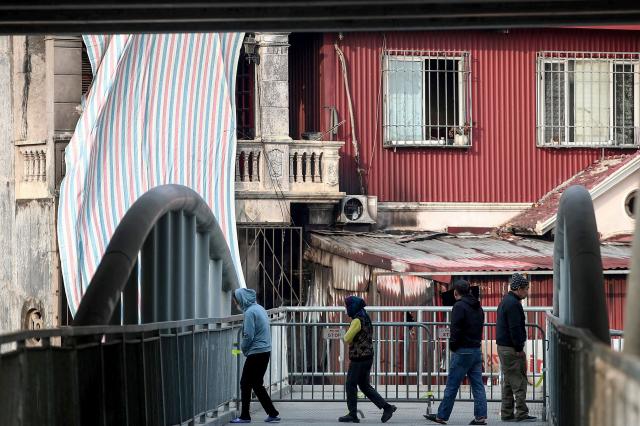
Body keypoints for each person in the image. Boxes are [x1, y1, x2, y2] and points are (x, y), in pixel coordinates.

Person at [424, 280, 487, 426]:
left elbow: (455, 329)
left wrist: (453, 346)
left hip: (462, 351)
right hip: (476, 350)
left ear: (455, 293)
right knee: (478, 385)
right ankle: (480, 417)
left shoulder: (459, 306)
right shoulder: (478, 307)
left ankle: (442, 416)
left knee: (452, 385)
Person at [339, 296, 397, 423]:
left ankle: (352, 414)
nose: (345, 309)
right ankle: (387, 407)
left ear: (352, 307)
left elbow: (347, 338)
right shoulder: (365, 316)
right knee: (364, 386)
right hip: (367, 357)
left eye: (346, 306)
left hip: (359, 358)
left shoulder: (356, 320)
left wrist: (345, 333)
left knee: (350, 384)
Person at [230, 288, 281, 424]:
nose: (236, 303)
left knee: (245, 383)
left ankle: (245, 416)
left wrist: (244, 349)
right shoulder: (259, 308)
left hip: (256, 352)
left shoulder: (249, 313)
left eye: (236, 300)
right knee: (257, 384)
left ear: (241, 299)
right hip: (265, 351)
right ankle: (272, 413)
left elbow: (248, 335)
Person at [496, 273, 537, 422]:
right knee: (519, 381)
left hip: (503, 347)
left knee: (508, 381)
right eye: (526, 289)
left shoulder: (505, 301)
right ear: (519, 289)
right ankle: (522, 413)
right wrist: (519, 348)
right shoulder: (513, 304)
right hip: (512, 348)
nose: (527, 292)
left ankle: (507, 413)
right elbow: (515, 328)